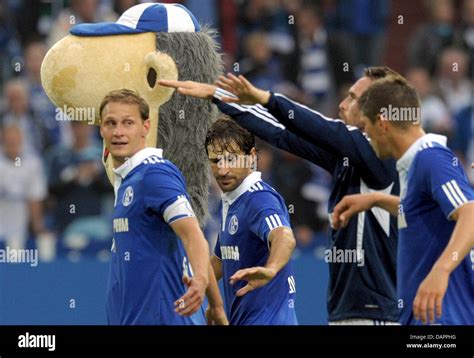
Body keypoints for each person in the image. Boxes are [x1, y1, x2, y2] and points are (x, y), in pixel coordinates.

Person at [159, 67, 402, 325]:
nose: (342, 104)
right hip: (347, 311)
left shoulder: (381, 157)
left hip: (374, 312)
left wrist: (266, 98)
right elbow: (281, 134)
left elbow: (320, 127)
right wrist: (218, 96)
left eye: (353, 98)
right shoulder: (345, 160)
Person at [332, 79, 474, 325]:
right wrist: (375, 199)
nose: (366, 135)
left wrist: (441, 270)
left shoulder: (431, 159)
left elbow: (471, 213)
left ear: (382, 124)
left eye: (365, 126)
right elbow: (423, 213)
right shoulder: (416, 164)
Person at [99, 89, 226, 325]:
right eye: (111, 123)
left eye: (128, 123)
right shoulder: (128, 179)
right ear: (101, 129)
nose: (118, 132)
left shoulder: (155, 173)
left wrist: (199, 279)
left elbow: (192, 234)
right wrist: (217, 308)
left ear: (146, 127)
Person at [204, 117, 298, 325]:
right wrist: (205, 296)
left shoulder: (259, 198)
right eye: (215, 160)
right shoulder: (231, 199)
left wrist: (271, 269)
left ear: (251, 157)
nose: (222, 170)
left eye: (231, 159)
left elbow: (284, 236)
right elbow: (220, 260)